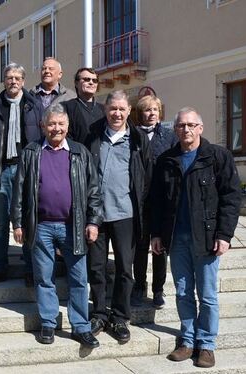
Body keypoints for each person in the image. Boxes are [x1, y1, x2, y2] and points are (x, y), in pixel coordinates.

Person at [151, 107, 241, 368]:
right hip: (176, 238)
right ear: (175, 129)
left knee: (208, 294)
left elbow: (231, 198)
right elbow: (156, 201)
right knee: (182, 292)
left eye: (191, 125)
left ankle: (207, 345)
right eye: (181, 125)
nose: (186, 130)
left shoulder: (217, 157)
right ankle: (187, 340)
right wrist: (157, 233)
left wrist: (224, 234)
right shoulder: (167, 160)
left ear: (201, 128)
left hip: (207, 238)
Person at [11, 103, 102, 347]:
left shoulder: (79, 152)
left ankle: (81, 326)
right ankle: (49, 323)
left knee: (79, 278)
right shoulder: (31, 152)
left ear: (68, 126)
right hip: (41, 226)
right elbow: (19, 190)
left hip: (74, 226)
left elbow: (94, 190)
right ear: (43, 126)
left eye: (61, 124)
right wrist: (18, 223)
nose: (56, 128)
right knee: (44, 277)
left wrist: (93, 221)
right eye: (51, 124)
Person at [84, 90, 151, 344]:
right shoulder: (93, 136)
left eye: (122, 109)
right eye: (113, 108)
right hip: (97, 215)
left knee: (125, 268)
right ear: (105, 109)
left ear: (128, 111)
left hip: (126, 214)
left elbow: (146, 177)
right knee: (97, 268)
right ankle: (99, 314)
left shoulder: (137, 139)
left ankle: (121, 316)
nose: (117, 113)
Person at [0, 63, 43, 287]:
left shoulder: (34, 106)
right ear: (3, 80)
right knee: (1, 224)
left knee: (27, 221)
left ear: (23, 81)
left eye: (17, 77)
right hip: (1, 171)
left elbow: (44, 140)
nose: (13, 81)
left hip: (27, 173)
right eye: (9, 77)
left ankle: (31, 270)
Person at [131, 95, 179, 309]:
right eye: (147, 110)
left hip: (162, 201)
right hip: (139, 201)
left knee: (161, 248)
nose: (151, 113)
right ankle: (139, 285)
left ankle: (158, 290)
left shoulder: (170, 136)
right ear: (140, 113)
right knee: (140, 247)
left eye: (155, 110)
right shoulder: (132, 135)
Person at [60, 68, 105, 143]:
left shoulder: (104, 109)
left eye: (95, 80)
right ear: (76, 83)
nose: (91, 82)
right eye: (86, 79)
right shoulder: (67, 107)